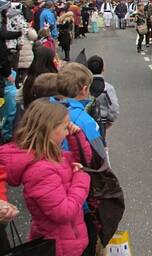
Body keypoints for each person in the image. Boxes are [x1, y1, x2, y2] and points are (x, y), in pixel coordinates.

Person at [0, 99, 90, 256]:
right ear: (50, 130)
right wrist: (81, 179)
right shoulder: (40, 171)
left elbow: (85, 160)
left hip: (66, 240)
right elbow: (63, 212)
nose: (67, 131)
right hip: (58, 247)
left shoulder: (52, 155)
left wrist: (75, 136)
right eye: (64, 128)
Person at [54, 63, 107, 256]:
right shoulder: (84, 121)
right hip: (80, 197)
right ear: (84, 89)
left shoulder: (45, 110)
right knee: (84, 243)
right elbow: (98, 160)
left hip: (51, 194)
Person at [86, 55, 120, 141]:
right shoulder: (108, 88)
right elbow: (114, 107)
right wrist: (110, 120)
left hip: (86, 119)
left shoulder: (84, 87)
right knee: (100, 143)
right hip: (102, 120)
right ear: (103, 68)